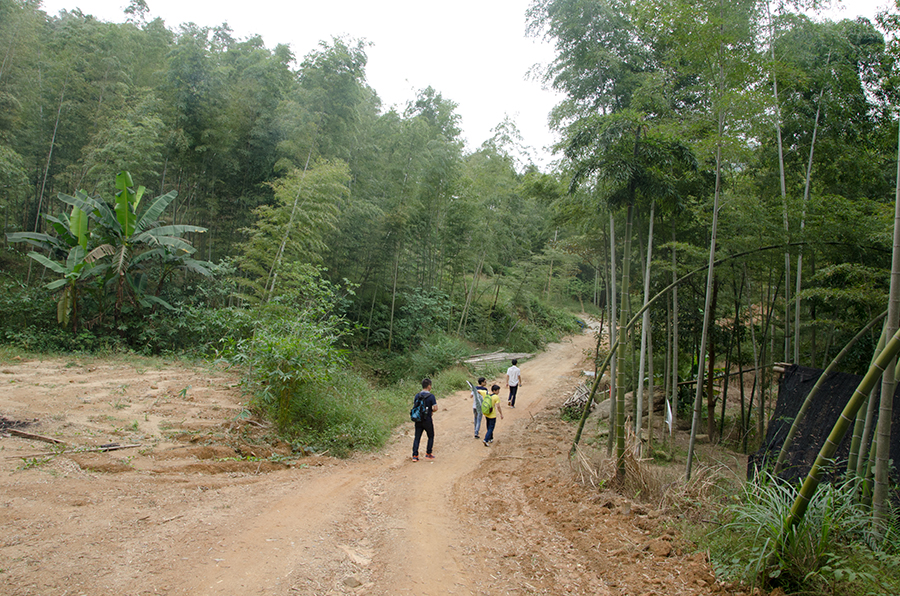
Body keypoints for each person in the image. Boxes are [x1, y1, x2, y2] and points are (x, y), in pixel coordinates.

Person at [412, 378, 438, 462]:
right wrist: (431, 411)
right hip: (427, 420)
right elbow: (435, 408)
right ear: (429, 386)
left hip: (418, 419)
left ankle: (415, 456)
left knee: (417, 437)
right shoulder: (431, 396)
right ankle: (428, 453)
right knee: (430, 436)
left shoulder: (417, 395)